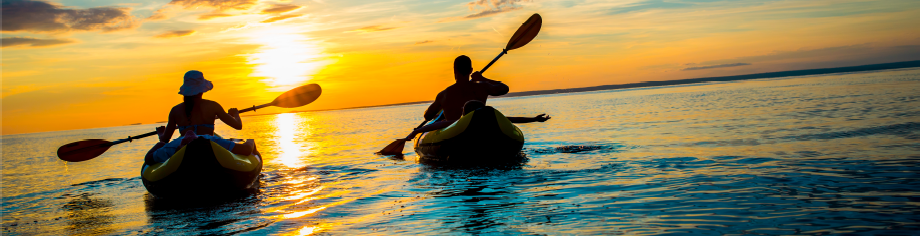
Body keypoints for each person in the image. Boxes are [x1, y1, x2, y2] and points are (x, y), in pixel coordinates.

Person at [403, 55, 551, 140]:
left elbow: (428, 116)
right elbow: (504, 89)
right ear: (471, 70)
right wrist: (483, 78)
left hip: (453, 134)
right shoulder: (482, 87)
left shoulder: (444, 95)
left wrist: (418, 129)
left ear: (454, 70)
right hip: (483, 131)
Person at [144, 70, 256, 165]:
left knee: (149, 158)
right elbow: (238, 126)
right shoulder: (213, 105)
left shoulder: (175, 110)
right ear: (202, 89)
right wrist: (235, 114)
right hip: (208, 142)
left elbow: (165, 139)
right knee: (246, 149)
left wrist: (161, 136)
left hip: (182, 143)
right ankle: (251, 141)